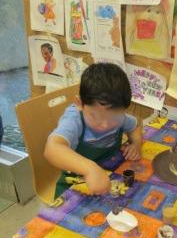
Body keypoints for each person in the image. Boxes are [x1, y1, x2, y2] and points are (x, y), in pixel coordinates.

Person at [45, 63, 142, 199]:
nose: (105, 125)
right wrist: (90, 169)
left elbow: (136, 126)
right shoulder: (74, 119)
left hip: (111, 174)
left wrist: (136, 144)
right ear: (79, 103)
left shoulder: (119, 116)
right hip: (74, 186)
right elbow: (52, 148)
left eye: (113, 117)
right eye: (95, 116)